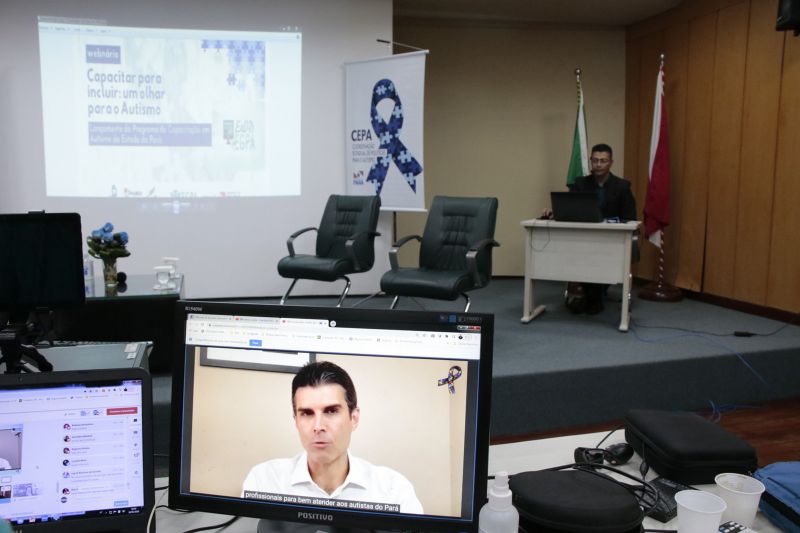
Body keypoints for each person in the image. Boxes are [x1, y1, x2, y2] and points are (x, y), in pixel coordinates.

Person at [242, 361, 423, 514]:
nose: (318, 426)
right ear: (296, 421)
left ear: (354, 418)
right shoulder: (264, 481)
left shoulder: (393, 490)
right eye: (306, 413)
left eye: (331, 411)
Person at [568, 143, 638, 314]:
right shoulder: (581, 184)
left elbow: (630, 218)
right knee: (582, 252)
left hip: (613, 241)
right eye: (595, 160)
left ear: (610, 163)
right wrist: (551, 213)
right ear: (591, 161)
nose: (598, 164)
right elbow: (569, 209)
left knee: (597, 255)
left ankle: (592, 300)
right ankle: (593, 298)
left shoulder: (622, 186)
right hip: (585, 240)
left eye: (603, 161)